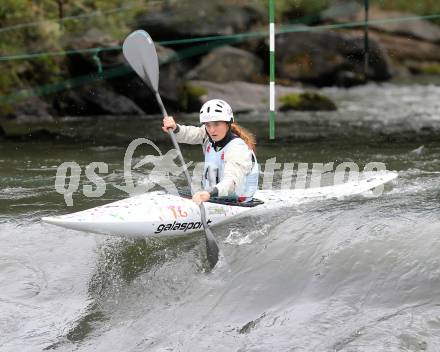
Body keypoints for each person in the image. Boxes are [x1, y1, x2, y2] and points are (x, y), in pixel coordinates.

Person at [162, 99, 259, 205]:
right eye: (208, 125)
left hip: (237, 201)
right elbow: (190, 133)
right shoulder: (207, 135)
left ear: (228, 123)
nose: (212, 130)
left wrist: (208, 193)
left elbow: (231, 182)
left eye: (216, 124)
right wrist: (175, 128)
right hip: (211, 197)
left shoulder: (237, 148)